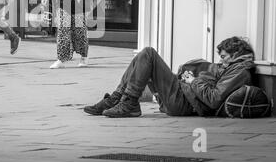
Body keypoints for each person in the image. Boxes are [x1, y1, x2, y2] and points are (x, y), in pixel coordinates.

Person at [84, 36, 255, 117]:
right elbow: (211, 84)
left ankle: (128, 103)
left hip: (185, 103)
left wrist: (193, 80)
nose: (221, 61)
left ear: (236, 54)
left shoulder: (239, 71)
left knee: (149, 54)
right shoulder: (233, 67)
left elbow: (214, 98)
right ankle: (118, 98)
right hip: (185, 96)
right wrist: (191, 77)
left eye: (224, 57)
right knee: (142, 59)